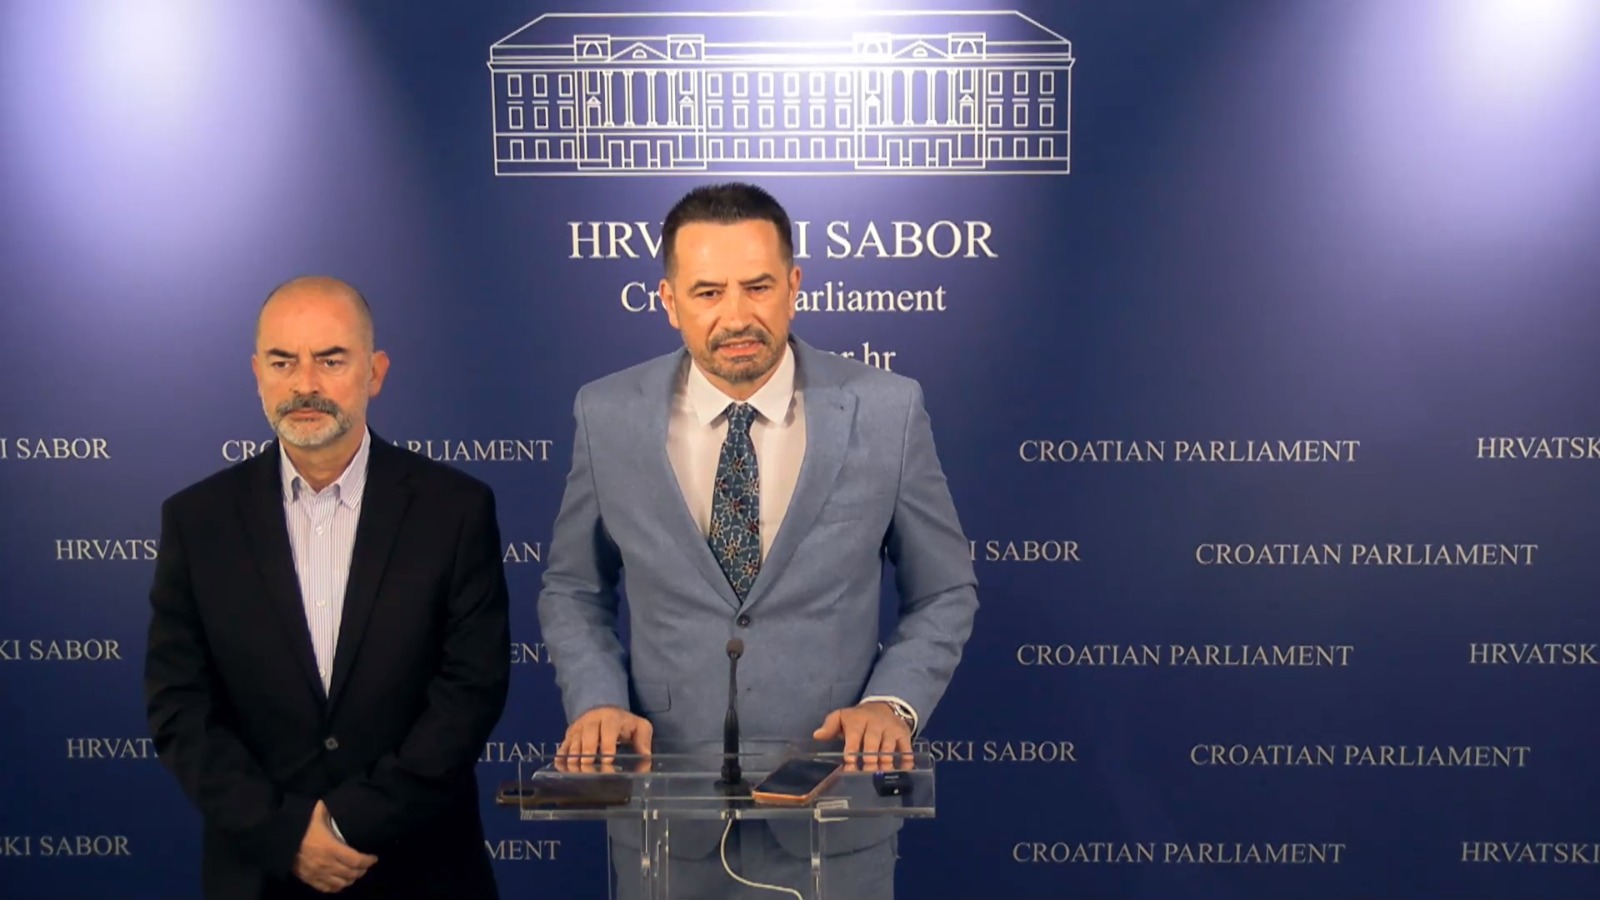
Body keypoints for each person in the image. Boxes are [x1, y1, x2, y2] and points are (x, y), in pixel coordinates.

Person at [537, 183, 979, 899]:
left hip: (831, 817)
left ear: (794, 286)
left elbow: (945, 590)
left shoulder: (888, 409)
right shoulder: (607, 413)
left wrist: (891, 705)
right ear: (669, 301)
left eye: (758, 286)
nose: (737, 315)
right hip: (665, 831)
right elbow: (573, 588)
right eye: (708, 292)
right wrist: (596, 701)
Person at [143, 276, 512, 899]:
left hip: (420, 869)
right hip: (260, 872)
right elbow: (180, 706)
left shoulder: (455, 509)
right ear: (257, 374)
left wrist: (349, 823)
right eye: (283, 362)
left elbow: (469, 693)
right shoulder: (197, 521)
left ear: (375, 372)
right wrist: (285, 833)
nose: (304, 383)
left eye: (331, 360)